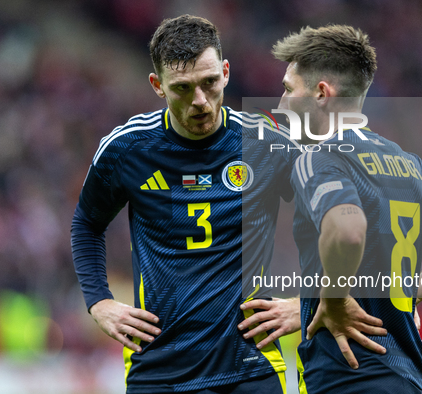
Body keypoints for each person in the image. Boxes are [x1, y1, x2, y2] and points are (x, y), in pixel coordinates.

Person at [70, 14, 305, 394]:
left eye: (209, 83)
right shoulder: (127, 149)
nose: (199, 101)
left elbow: (338, 218)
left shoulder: (266, 142)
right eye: (182, 88)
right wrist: (99, 302)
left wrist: (308, 303)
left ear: (226, 72)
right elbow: (87, 225)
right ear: (157, 85)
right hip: (159, 369)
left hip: (251, 368)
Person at [272, 25, 422, 393]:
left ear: (321, 93)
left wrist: (333, 301)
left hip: (350, 377)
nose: (281, 103)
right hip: (412, 378)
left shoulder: (318, 158)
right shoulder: (408, 164)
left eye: (288, 88)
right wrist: (412, 292)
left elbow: (349, 231)